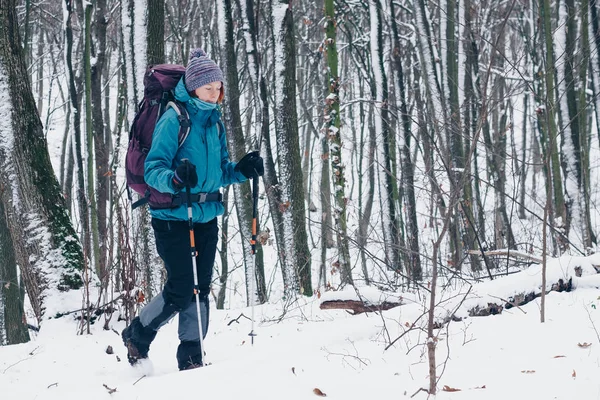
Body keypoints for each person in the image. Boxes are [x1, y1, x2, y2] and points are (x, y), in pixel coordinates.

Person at [122, 48, 264, 371]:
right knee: (181, 288)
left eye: (218, 88)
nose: (215, 94)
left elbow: (221, 172)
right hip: (172, 218)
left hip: (206, 216)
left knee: (200, 287)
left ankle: (191, 355)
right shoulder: (175, 117)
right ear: (194, 86)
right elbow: (153, 169)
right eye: (208, 87)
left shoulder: (215, 123)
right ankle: (138, 333)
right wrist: (174, 178)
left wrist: (243, 169)